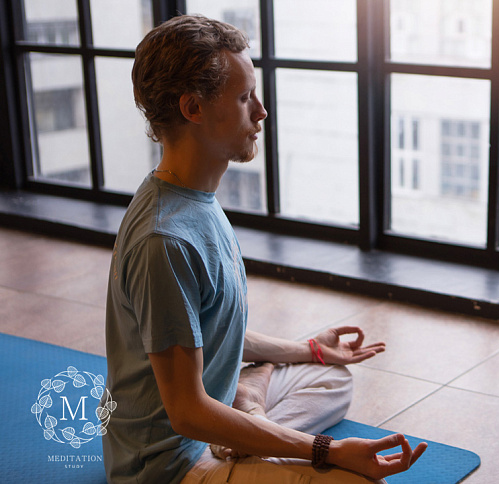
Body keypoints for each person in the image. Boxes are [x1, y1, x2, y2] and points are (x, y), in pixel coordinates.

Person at [103, 14, 426, 484]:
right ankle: (248, 423)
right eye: (242, 97)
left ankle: (248, 409)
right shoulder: (164, 241)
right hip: (170, 465)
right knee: (355, 478)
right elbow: (188, 413)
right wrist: (326, 450)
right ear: (193, 108)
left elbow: (207, 330)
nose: (261, 111)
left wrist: (308, 349)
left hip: (205, 417)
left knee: (331, 375)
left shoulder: (194, 199)